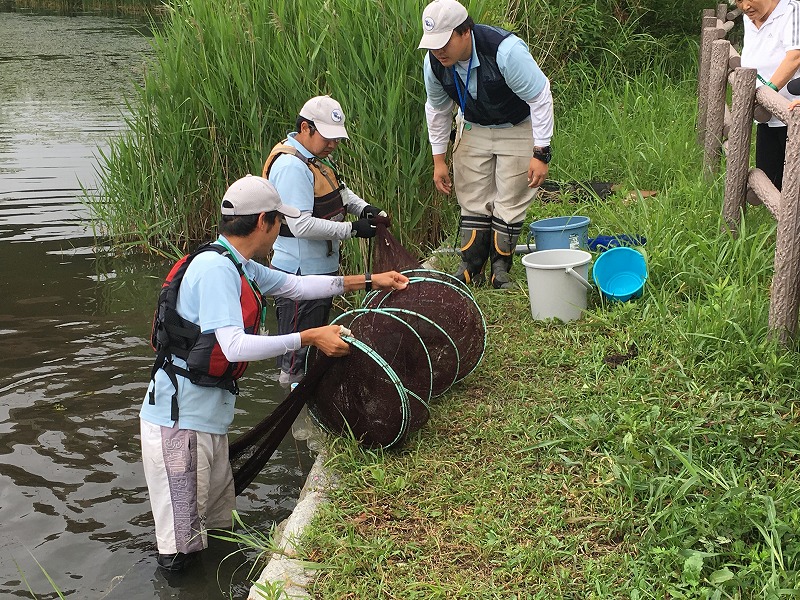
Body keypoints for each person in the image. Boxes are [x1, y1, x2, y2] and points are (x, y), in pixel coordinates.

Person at [140, 174, 408, 572]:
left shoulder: (239, 263)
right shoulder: (215, 270)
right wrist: (309, 337)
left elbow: (298, 286)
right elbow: (233, 345)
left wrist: (371, 280)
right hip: (179, 426)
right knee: (180, 551)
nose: (282, 229)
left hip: (207, 419)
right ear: (264, 221)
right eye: (280, 222)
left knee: (214, 529)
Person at [418, 0, 554, 289]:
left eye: (444, 42)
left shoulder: (505, 51)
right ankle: (470, 266)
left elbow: (540, 96)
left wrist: (541, 152)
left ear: (465, 32)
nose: (438, 51)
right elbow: (437, 110)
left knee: (512, 196)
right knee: (472, 195)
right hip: (473, 125)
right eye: (432, 44)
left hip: (517, 125)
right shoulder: (433, 63)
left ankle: (501, 269)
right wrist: (438, 160)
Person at [262, 95, 388, 384]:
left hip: (320, 270)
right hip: (299, 274)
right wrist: (352, 230)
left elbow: (340, 192)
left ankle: (307, 400)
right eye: (327, 137)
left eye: (337, 138)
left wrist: (366, 209)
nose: (333, 144)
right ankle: (294, 413)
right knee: (296, 354)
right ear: (305, 128)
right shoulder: (291, 166)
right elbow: (300, 225)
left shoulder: (316, 158)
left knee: (314, 345)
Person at [737, 0, 800, 190]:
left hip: (790, 108)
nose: (745, 6)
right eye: (739, 0)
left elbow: (795, 56)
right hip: (764, 113)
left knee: (793, 182)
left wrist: (768, 90)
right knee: (769, 179)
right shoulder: (749, 18)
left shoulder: (791, 10)